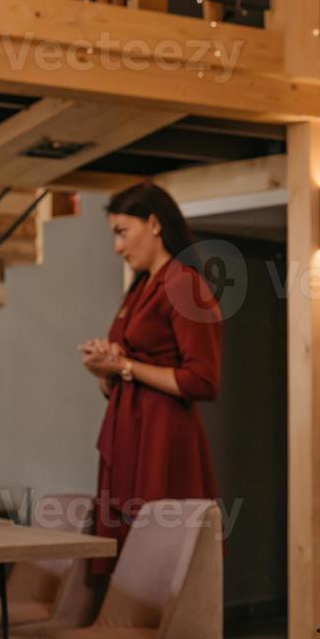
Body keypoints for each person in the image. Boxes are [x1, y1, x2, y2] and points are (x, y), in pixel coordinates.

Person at [79, 182, 222, 574]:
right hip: (128, 430)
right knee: (125, 547)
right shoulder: (139, 287)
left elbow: (202, 381)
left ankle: (163, 631)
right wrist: (104, 369)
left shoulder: (183, 283)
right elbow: (123, 377)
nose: (117, 247)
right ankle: (125, 628)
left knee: (158, 554)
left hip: (162, 436)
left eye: (122, 232)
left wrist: (125, 367)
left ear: (155, 224)